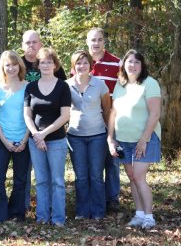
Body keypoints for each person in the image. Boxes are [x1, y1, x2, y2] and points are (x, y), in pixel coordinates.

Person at [107, 49, 161, 229]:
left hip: (145, 138)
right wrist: (110, 138)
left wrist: (143, 140)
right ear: (123, 65)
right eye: (129, 61)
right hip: (123, 139)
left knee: (139, 176)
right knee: (131, 176)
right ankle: (138, 214)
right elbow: (113, 113)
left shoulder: (150, 83)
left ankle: (149, 217)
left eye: (137, 62)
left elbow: (154, 115)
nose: (132, 65)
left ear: (142, 65)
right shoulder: (120, 84)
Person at [23, 48, 71, 226]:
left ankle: (58, 219)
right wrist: (36, 134)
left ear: (55, 65)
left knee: (57, 181)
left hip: (57, 140)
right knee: (41, 180)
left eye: (49, 62)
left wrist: (44, 133)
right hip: (35, 141)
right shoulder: (31, 87)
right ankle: (42, 217)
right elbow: (27, 115)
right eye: (42, 62)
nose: (46, 65)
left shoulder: (62, 86)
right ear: (38, 65)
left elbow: (65, 116)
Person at [66, 50, 111, 220]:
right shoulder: (66, 84)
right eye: (78, 63)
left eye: (85, 62)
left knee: (96, 175)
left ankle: (99, 211)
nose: (82, 66)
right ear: (73, 66)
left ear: (91, 65)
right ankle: (82, 212)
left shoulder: (100, 84)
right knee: (81, 176)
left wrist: (110, 134)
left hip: (97, 135)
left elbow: (107, 109)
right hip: (75, 136)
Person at [0, 51, 30, 222]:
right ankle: (0, 214)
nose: (11, 68)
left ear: (19, 66)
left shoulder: (29, 87)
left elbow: (31, 117)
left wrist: (25, 140)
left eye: (14, 64)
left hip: (24, 140)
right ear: (3, 68)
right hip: (1, 140)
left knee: (20, 179)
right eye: (8, 65)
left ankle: (16, 213)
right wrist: (5, 141)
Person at [86, 27, 121, 213]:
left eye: (99, 39)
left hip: (112, 119)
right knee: (94, 162)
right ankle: (96, 196)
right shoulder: (82, 63)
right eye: (93, 40)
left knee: (112, 160)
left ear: (104, 42)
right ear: (87, 42)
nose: (96, 43)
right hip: (89, 121)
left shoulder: (116, 63)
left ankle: (112, 198)